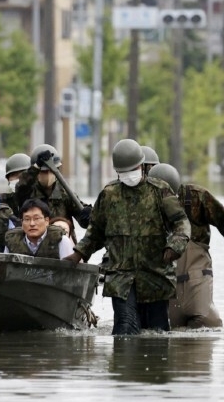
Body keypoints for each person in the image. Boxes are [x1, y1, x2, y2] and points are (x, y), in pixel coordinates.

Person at [63, 138, 191, 336]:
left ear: (141, 166)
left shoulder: (160, 191)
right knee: (124, 330)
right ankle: (122, 365)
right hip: (121, 277)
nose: (128, 175)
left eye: (131, 170)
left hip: (155, 274)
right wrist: (78, 254)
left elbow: (181, 223)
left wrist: (175, 246)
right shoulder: (109, 195)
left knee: (157, 333)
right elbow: (95, 232)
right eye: (123, 172)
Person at [147, 163, 224, 329]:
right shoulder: (145, 204)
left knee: (207, 322)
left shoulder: (197, 197)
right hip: (166, 275)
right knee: (168, 327)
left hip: (197, 271)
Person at [14, 144, 91, 229]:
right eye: (43, 172)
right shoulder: (29, 191)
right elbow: (20, 188)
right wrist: (36, 167)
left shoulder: (65, 193)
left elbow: (84, 221)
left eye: (50, 171)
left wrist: (89, 215)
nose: (47, 175)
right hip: (35, 239)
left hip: (62, 239)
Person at [3, 199, 74, 259]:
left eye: (36, 218)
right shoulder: (12, 240)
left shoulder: (61, 240)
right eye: (27, 219)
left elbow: (69, 271)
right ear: (22, 222)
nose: (32, 224)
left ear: (46, 221)